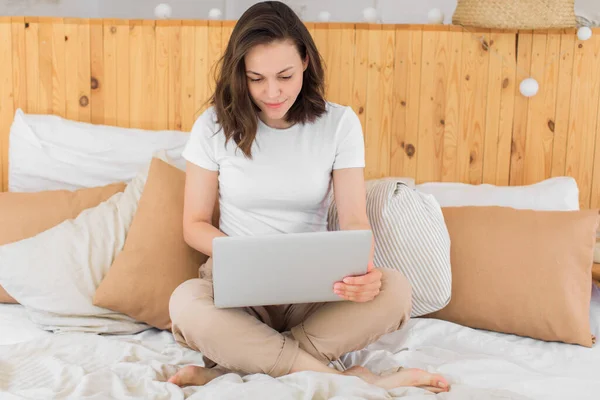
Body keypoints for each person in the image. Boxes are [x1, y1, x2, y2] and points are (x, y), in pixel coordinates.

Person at [167, 0, 450, 393]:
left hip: (315, 290)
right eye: (256, 78)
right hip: (237, 290)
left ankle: (241, 368)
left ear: (305, 61)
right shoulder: (213, 124)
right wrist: (245, 258)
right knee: (184, 303)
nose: (272, 92)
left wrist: (363, 271)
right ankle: (350, 380)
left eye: (284, 75)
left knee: (396, 290)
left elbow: (353, 218)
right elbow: (194, 224)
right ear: (240, 75)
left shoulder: (339, 124)